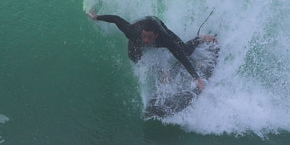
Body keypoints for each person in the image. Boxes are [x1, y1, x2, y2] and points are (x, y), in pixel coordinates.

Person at [87, 10, 217, 91]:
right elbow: (116, 19)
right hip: (140, 25)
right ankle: (162, 72)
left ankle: (199, 39)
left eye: (149, 37)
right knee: (133, 56)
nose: (146, 40)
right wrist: (97, 17)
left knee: (185, 51)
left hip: (156, 22)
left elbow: (181, 58)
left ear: (156, 35)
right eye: (144, 37)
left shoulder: (165, 39)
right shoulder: (133, 33)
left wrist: (196, 78)